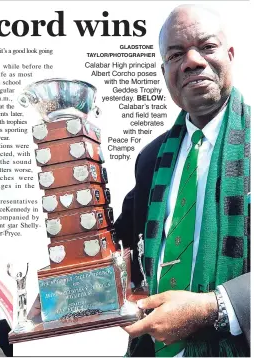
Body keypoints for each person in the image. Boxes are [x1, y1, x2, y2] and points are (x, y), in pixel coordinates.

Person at [115, 5, 250, 356]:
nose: (192, 61)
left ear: (230, 55)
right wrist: (66, 286)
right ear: (165, 71)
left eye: (206, 47)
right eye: (176, 54)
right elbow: (120, 245)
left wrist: (214, 307)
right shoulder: (150, 160)